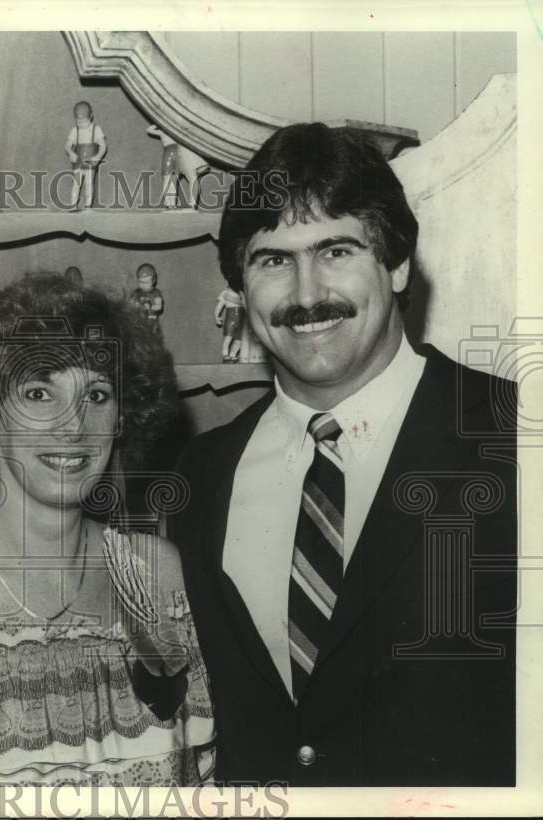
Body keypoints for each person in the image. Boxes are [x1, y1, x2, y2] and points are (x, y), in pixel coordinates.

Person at [169, 123, 516, 786]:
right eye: (274, 259)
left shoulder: (515, 437)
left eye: (336, 250)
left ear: (398, 263)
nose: (306, 295)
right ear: (240, 287)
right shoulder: (203, 472)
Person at [0, 274, 215, 785]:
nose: (73, 425)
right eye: (39, 392)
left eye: (97, 395)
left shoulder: (156, 575)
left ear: (122, 419)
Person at [65, 101, 107, 210]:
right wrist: (70, 153)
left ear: (91, 116)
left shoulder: (96, 129)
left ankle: (88, 206)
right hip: (78, 164)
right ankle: (73, 205)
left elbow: (103, 146)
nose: (82, 124)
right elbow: (67, 145)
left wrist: (98, 157)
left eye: (84, 121)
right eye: (79, 122)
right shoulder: (75, 130)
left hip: (90, 164)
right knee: (76, 183)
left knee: (89, 183)